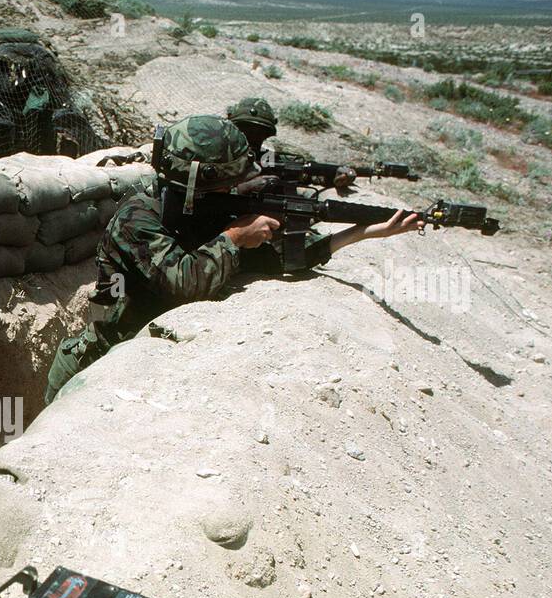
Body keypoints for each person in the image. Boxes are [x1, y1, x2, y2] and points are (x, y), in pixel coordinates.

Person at [44, 115, 420, 403]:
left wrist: (362, 232)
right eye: (225, 184)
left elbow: (280, 263)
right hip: (97, 366)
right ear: (198, 181)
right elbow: (183, 282)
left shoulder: (205, 213)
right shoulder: (139, 218)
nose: (235, 190)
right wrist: (235, 237)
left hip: (147, 369)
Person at [226, 96, 355, 191]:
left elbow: (305, 174)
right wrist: (242, 189)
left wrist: (335, 176)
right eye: (246, 129)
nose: (253, 136)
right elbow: (206, 195)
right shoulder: (217, 155)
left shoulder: (268, 159)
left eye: (260, 132)